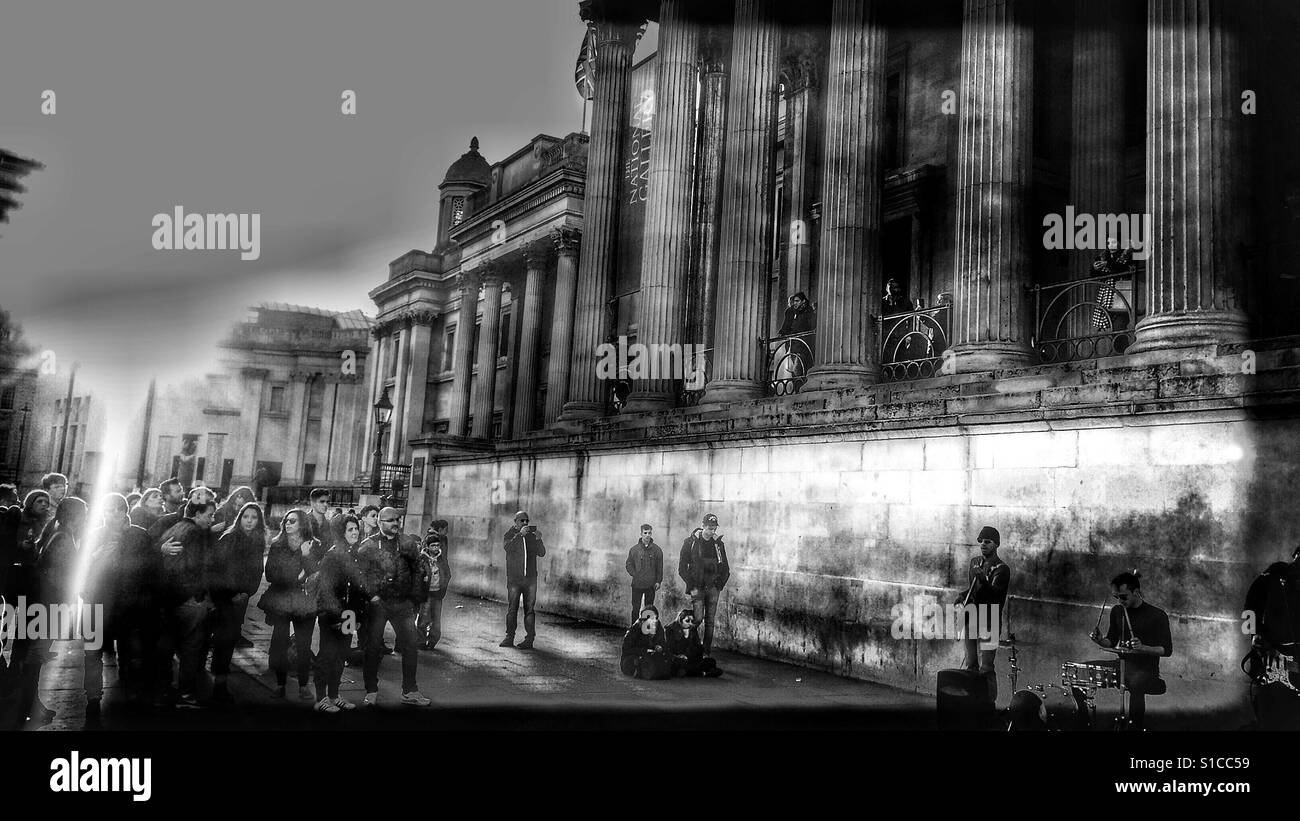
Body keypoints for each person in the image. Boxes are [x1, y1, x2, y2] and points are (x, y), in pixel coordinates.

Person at [81, 494, 146, 724]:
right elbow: (79, 571)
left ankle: (129, 697)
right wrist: (96, 558)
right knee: (92, 655)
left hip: (127, 606)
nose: (116, 513)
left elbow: (148, 567)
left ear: (126, 511)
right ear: (103, 512)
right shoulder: (94, 536)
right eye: (110, 509)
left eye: (120, 508)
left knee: (130, 655)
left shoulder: (138, 535)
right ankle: (93, 700)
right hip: (97, 604)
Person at [357, 507, 431, 707]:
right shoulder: (368, 545)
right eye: (390, 520)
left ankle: (410, 691)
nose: (395, 523)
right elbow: (360, 575)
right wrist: (371, 596)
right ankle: (371, 690)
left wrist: (414, 599)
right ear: (380, 522)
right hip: (379, 604)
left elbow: (418, 570)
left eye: (397, 519)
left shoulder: (407, 543)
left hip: (403, 603)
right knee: (372, 649)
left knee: (410, 646)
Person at [1089, 571, 1172, 730]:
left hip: (1146, 670)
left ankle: (1135, 728)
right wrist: (1099, 640)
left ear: (1136, 592)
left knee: (1136, 683)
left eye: (1123, 597)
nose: (1120, 601)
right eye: (1116, 597)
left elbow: (1167, 650)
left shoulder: (1157, 615)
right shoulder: (1117, 611)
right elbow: (1111, 641)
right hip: (1121, 665)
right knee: (1078, 671)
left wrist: (1143, 648)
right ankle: (1083, 723)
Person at [0, 490, 54, 726]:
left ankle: (12, 672)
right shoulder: (16, 517)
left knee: (24, 630)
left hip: (30, 580)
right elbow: (6, 542)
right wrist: (19, 545)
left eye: (46, 502)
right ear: (30, 502)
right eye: (39, 501)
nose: (43, 504)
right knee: (8, 620)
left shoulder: (46, 525)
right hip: (15, 575)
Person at [157, 498, 217, 708]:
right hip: (188, 599)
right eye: (209, 515)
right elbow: (195, 567)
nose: (212, 519)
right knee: (191, 648)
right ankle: (186, 695)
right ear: (197, 514)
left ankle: (164, 692)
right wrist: (198, 594)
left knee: (168, 646)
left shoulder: (175, 527)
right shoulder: (195, 533)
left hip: (170, 598)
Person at [259, 508, 323, 701]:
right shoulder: (278, 545)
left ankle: (304, 685)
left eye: (293, 521)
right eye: (287, 520)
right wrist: (296, 577)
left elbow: (315, 575)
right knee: (279, 642)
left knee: (304, 645)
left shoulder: (314, 545)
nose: (287, 524)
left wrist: (305, 556)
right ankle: (280, 684)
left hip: (305, 603)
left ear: (302, 524)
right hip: (282, 600)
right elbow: (270, 574)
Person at [206, 500, 266, 704]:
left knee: (229, 639)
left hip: (241, 598)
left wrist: (247, 592)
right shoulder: (230, 537)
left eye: (254, 518)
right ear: (240, 518)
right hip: (225, 598)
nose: (249, 521)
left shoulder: (257, 541)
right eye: (246, 517)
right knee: (224, 640)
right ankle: (218, 686)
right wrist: (232, 594)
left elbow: (257, 571)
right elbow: (219, 570)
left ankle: (219, 681)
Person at [315, 514, 369, 713]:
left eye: (356, 529)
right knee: (326, 656)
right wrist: (335, 618)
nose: (355, 532)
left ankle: (334, 695)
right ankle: (321, 698)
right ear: (341, 532)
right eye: (350, 530)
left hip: (349, 615)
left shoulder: (354, 554)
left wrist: (358, 617)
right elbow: (326, 590)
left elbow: (358, 589)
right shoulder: (333, 555)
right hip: (332, 615)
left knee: (340, 656)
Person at [955, 526, 1010, 705]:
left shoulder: (1002, 569)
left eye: (988, 542)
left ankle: (989, 705)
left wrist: (983, 580)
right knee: (971, 664)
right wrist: (962, 596)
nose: (983, 545)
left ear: (996, 544)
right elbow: (974, 591)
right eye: (981, 541)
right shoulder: (974, 563)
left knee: (986, 667)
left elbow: (993, 595)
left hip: (990, 619)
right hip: (972, 617)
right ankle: (973, 703)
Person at [678, 513, 730, 655]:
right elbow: (682, 568)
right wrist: (691, 584)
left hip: (713, 588)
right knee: (698, 618)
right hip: (697, 588)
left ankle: (705, 652)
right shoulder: (690, 543)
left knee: (710, 621)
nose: (712, 531)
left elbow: (725, 568)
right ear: (702, 526)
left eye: (714, 528)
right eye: (709, 528)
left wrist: (719, 585)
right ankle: (689, 646)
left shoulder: (718, 545)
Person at [500, 510, 546, 649]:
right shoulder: (510, 534)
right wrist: (520, 535)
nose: (525, 523)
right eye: (522, 521)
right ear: (515, 522)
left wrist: (539, 539)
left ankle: (529, 639)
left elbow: (542, 553)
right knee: (512, 608)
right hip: (514, 579)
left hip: (530, 579)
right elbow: (508, 547)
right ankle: (509, 637)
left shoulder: (532, 537)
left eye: (527, 521)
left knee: (529, 610)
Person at [416, 519, 451, 650]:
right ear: (427, 547)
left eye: (438, 545)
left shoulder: (441, 559)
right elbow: (418, 574)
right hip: (426, 593)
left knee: (436, 619)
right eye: (433, 546)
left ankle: (432, 641)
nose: (436, 548)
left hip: (438, 592)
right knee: (424, 617)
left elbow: (447, 573)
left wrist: (443, 587)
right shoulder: (423, 559)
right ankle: (420, 641)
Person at [666, 608, 722, 677]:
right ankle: (700, 673)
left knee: (711, 661)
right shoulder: (670, 629)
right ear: (681, 620)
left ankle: (696, 672)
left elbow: (697, 646)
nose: (690, 623)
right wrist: (685, 637)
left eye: (692, 621)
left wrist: (701, 653)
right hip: (678, 657)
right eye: (687, 621)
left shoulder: (692, 629)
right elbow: (671, 648)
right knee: (680, 663)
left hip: (690, 657)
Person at [624, 524, 663, 625]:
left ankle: (646, 632)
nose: (647, 535)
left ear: (651, 533)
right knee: (635, 608)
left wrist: (658, 581)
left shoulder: (657, 550)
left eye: (649, 533)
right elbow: (628, 564)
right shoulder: (634, 550)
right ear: (641, 534)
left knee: (649, 609)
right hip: (637, 584)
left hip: (650, 584)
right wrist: (635, 574)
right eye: (645, 533)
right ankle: (634, 630)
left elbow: (659, 567)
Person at [619, 605, 670, 679]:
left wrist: (659, 647)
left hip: (650, 654)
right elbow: (627, 649)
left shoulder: (658, 626)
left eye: (655, 618)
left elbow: (662, 643)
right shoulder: (635, 629)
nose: (654, 621)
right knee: (640, 662)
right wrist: (645, 651)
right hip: (633, 657)